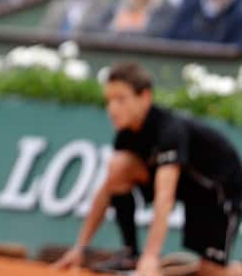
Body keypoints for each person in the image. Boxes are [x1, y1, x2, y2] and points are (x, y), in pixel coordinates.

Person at [53, 62, 242, 276]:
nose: (112, 109)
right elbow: (106, 190)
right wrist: (80, 247)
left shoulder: (169, 130)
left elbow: (165, 196)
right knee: (119, 166)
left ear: (145, 97)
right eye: (109, 101)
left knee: (212, 271)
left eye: (121, 100)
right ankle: (130, 254)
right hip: (188, 187)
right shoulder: (126, 134)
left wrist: (151, 257)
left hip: (219, 192)